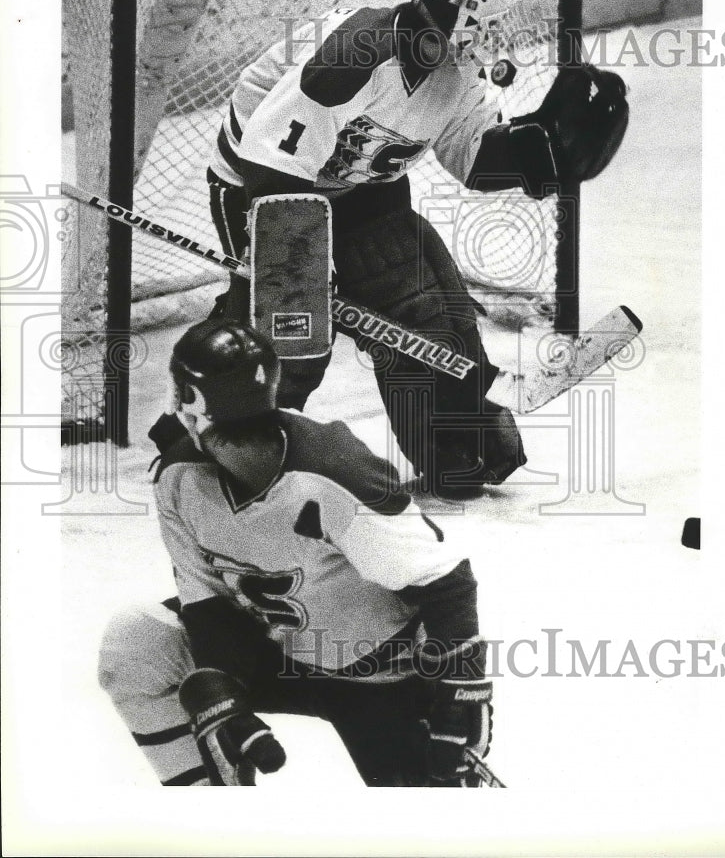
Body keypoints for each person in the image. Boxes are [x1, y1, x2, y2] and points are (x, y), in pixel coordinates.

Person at [202, 0, 628, 496]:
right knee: (291, 331)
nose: (479, 50)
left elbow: (470, 155)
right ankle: (228, 449)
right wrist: (304, 270)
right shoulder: (356, 53)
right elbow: (270, 162)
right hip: (260, 186)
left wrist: (543, 154)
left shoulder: (458, 71)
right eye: (478, 33)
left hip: (360, 187)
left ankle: (453, 445)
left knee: (421, 308)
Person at [100, 319, 494, 787]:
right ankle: (209, 821)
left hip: (380, 676)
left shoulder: (334, 469)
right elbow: (204, 602)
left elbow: (445, 582)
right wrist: (217, 682)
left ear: (189, 403)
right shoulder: (179, 475)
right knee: (139, 642)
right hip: (272, 653)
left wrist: (460, 685)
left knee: (434, 828)